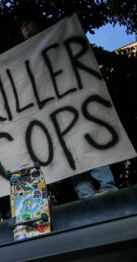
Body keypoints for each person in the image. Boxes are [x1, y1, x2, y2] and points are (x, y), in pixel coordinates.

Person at [19, 17, 118, 200]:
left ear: (38, 23)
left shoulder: (56, 39)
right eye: (23, 26)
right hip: (52, 112)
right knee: (69, 151)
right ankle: (85, 195)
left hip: (72, 103)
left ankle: (108, 187)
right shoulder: (22, 54)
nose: (25, 27)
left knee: (90, 142)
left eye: (28, 22)